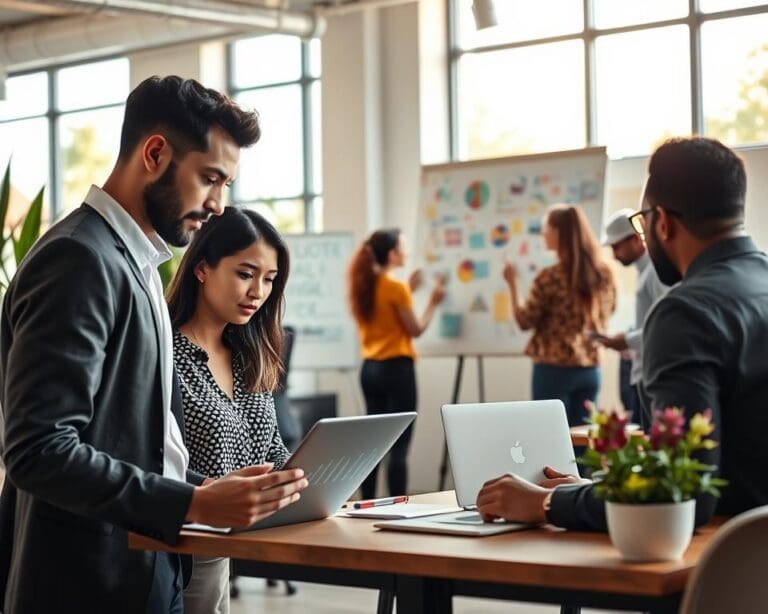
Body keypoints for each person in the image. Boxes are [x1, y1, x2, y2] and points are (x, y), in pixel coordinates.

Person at [0, 76, 307, 614]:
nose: (217, 204)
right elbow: (39, 450)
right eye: (210, 178)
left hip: (151, 567)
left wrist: (209, 491)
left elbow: (130, 444)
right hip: (87, 582)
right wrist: (193, 500)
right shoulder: (78, 260)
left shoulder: (136, 265)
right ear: (156, 153)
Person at [476, 137, 768, 531]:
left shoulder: (685, 313)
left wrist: (546, 502)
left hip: (725, 566)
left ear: (661, 221)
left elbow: (681, 492)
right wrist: (598, 489)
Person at [166, 207, 293, 613]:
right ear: (202, 269)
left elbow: (271, 448)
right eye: (245, 273)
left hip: (228, 550)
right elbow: (149, 459)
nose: (258, 291)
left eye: (269, 280)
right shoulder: (164, 355)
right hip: (178, 550)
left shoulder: (250, 357)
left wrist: (311, 479)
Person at [348, 228, 445, 499]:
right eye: (403, 248)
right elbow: (415, 330)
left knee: (373, 444)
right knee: (399, 446)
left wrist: (409, 290)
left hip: (370, 370)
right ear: (392, 254)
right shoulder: (395, 288)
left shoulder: (365, 284)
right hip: (397, 370)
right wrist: (433, 303)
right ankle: (398, 505)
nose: (407, 253)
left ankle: (365, 502)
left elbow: (387, 316)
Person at [503, 204, 616, 427]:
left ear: (558, 232)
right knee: (583, 446)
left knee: (551, 443)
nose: (543, 234)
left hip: (553, 371)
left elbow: (525, 321)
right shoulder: (604, 274)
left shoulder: (550, 277)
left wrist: (512, 284)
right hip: (590, 369)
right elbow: (610, 310)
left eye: (546, 228)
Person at [595, 208, 669, 425]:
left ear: (636, 240)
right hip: (643, 374)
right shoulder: (647, 273)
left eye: (617, 246)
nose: (614, 255)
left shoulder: (656, 273)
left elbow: (664, 327)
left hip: (650, 376)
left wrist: (626, 341)